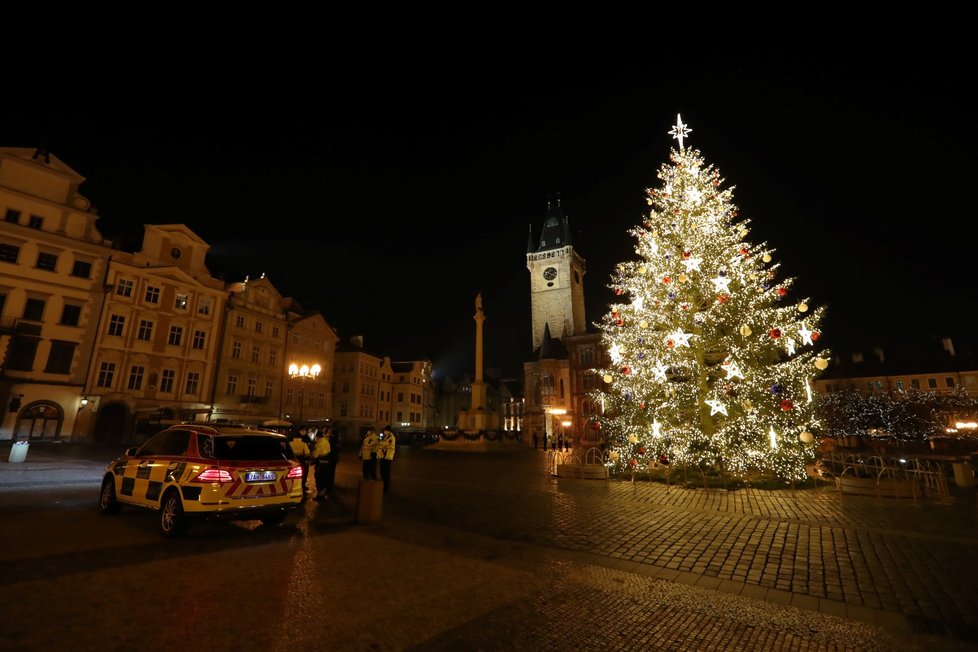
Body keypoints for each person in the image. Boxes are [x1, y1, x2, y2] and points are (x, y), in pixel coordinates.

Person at [289, 429, 311, 499]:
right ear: (300, 437)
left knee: (292, 475)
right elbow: (307, 453)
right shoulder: (303, 443)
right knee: (304, 474)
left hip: (292, 461)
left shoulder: (290, 443)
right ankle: (302, 486)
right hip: (301, 461)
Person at [311, 427, 332, 500]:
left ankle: (319, 495)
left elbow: (315, 455)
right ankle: (323, 492)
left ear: (317, 437)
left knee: (318, 478)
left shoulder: (318, 444)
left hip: (320, 463)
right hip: (327, 463)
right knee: (324, 477)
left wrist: (312, 458)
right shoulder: (326, 441)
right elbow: (329, 450)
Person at [377, 425, 396, 493]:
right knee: (382, 472)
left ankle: (386, 488)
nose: (384, 431)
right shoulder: (386, 437)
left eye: (385, 430)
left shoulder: (391, 437)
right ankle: (384, 486)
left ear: (389, 431)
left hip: (387, 457)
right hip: (383, 457)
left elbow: (384, 444)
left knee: (386, 473)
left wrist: (381, 442)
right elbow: (381, 444)